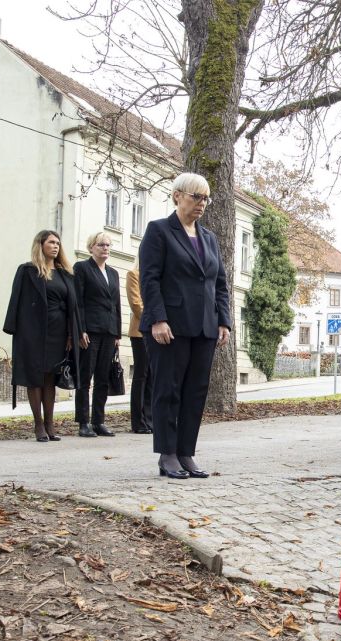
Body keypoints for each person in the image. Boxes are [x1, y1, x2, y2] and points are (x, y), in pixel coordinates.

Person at [139, 172, 231, 479]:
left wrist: (223, 320)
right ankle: (167, 454)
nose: (202, 203)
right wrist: (158, 319)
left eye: (206, 198)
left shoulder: (209, 238)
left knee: (195, 392)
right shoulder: (159, 231)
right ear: (177, 196)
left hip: (204, 327)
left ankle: (186, 453)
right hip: (169, 327)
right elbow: (149, 279)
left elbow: (219, 283)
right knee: (168, 389)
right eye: (196, 196)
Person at [4, 230, 86, 442]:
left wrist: (72, 334)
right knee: (35, 377)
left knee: (50, 377)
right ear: (40, 245)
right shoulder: (27, 271)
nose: (55, 246)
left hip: (59, 333)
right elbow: (16, 300)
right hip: (33, 332)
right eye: (51, 242)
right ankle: (38, 424)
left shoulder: (65, 273)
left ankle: (50, 423)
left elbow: (73, 307)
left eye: (58, 243)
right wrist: (13, 329)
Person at [73, 232, 122, 438]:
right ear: (91, 247)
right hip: (90, 330)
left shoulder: (113, 273)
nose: (105, 248)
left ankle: (98, 421)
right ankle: (83, 422)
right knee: (85, 377)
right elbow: (78, 301)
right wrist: (81, 329)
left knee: (103, 378)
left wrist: (117, 333)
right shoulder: (82, 268)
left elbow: (116, 304)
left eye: (108, 245)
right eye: (101, 244)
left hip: (109, 331)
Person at [126, 264, 153, 434]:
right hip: (140, 332)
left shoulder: (155, 275)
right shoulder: (133, 274)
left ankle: (150, 419)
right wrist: (155, 320)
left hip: (157, 333)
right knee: (141, 375)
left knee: (152, 376)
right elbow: (136, 304)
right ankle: (139, 422)